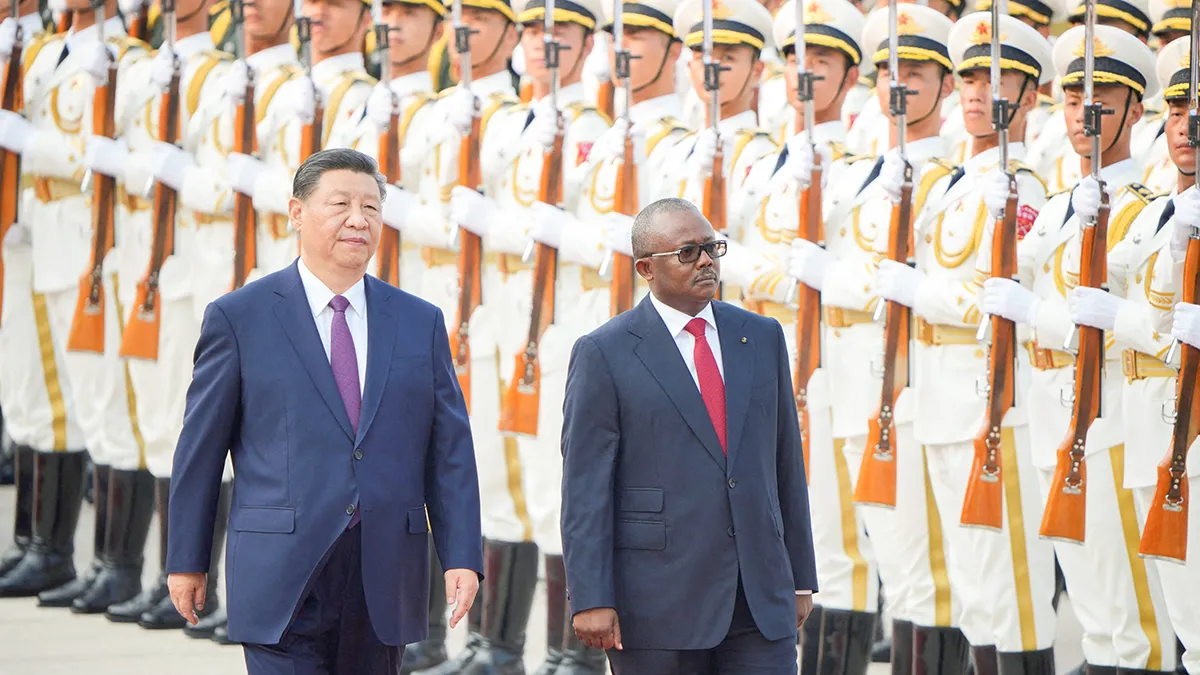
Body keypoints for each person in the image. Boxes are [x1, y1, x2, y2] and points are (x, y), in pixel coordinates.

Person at [165, 148, 484, 674]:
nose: (358, 220)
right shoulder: (240, 318)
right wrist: (186, 559)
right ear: (297, 212)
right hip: (280, 571)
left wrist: (462, 556)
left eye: (371, 208)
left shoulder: (418, 321)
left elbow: (449, 453)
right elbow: (200, 451)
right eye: (340, 204)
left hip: (383, 573)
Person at [560, 196, 817, 675]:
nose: (705, 261)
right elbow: (585, 489)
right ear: (645, 268)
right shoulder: (605, 352)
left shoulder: (760, 336)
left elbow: (785, 462)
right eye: (687, 252)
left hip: (759, 599)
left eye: (711, 248)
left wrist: (800, 577)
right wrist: (591, 596)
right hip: (657, 604)